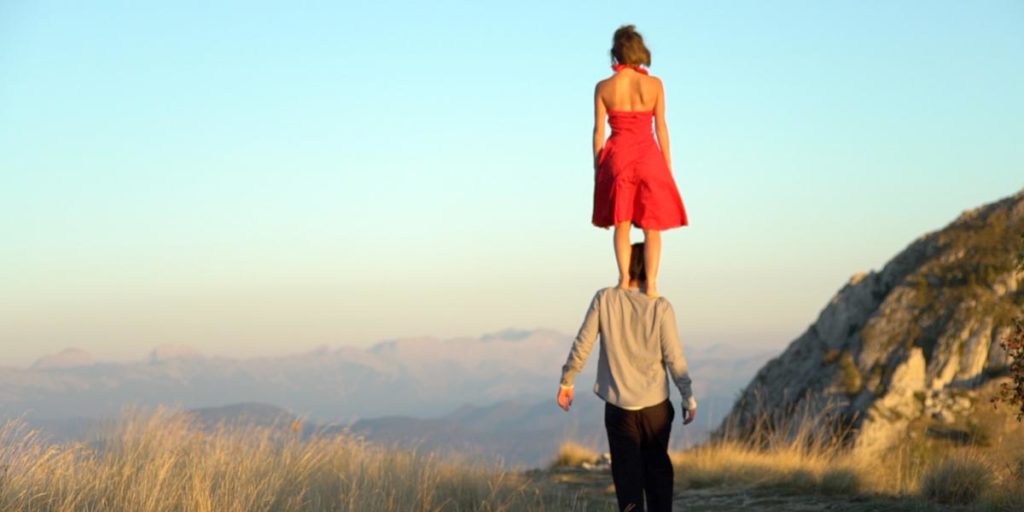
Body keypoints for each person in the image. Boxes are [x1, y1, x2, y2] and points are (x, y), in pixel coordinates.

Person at [557, 243, 697, 512]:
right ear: (651, 265)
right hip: (656, 407)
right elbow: (674, 357)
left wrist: (568, 379)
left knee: (626, 478)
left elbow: (583, 343)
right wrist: (687, 396)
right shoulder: (661, 306)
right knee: (657, 472)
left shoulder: (604, 298)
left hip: (619, 408)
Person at [592, 25, 688, 298]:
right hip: (648, 156)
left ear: (616, 53)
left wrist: (598, 167)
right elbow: (662, 128)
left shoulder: (603, 87)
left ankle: (623, 280)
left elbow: (599, 132)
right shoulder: (655, 84)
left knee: (621, 223)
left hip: (618, 156)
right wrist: (667, 166)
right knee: (652, 225)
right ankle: (653, 285)